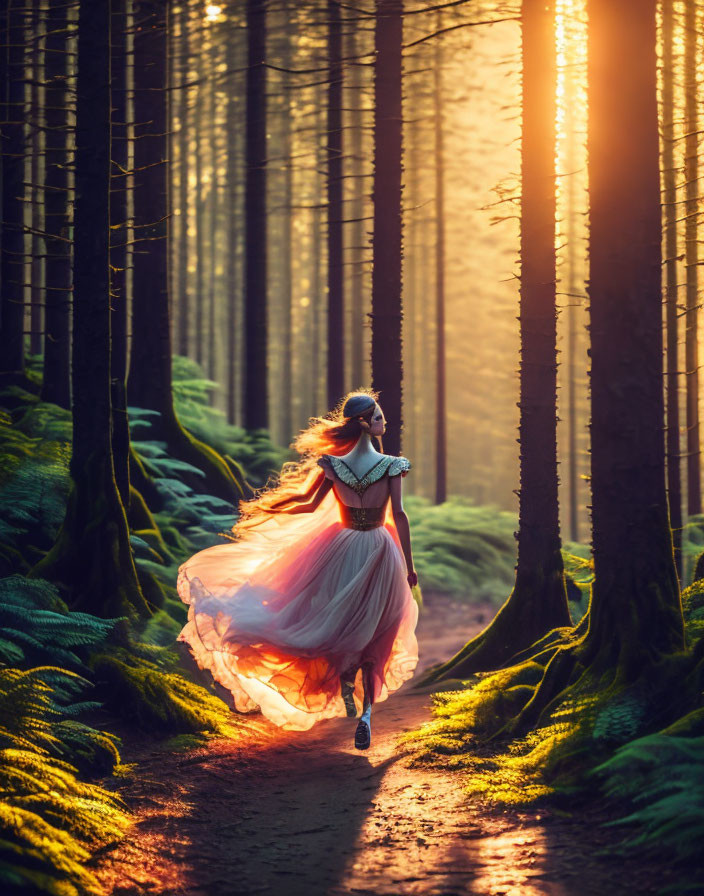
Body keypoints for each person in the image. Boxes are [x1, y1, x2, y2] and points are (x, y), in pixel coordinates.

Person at [176, 389, 420, 750]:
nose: (385, 422)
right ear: (366, 424)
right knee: (378, 631)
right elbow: (398, 515)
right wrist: (410, 567)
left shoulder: (334, 466)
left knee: (338, 619)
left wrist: (268, 511)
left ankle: (344, 679)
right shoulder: (391, 466)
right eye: (380, 417)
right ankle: (366, 713)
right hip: (380, 549)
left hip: (342, 545)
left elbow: (307, 505)